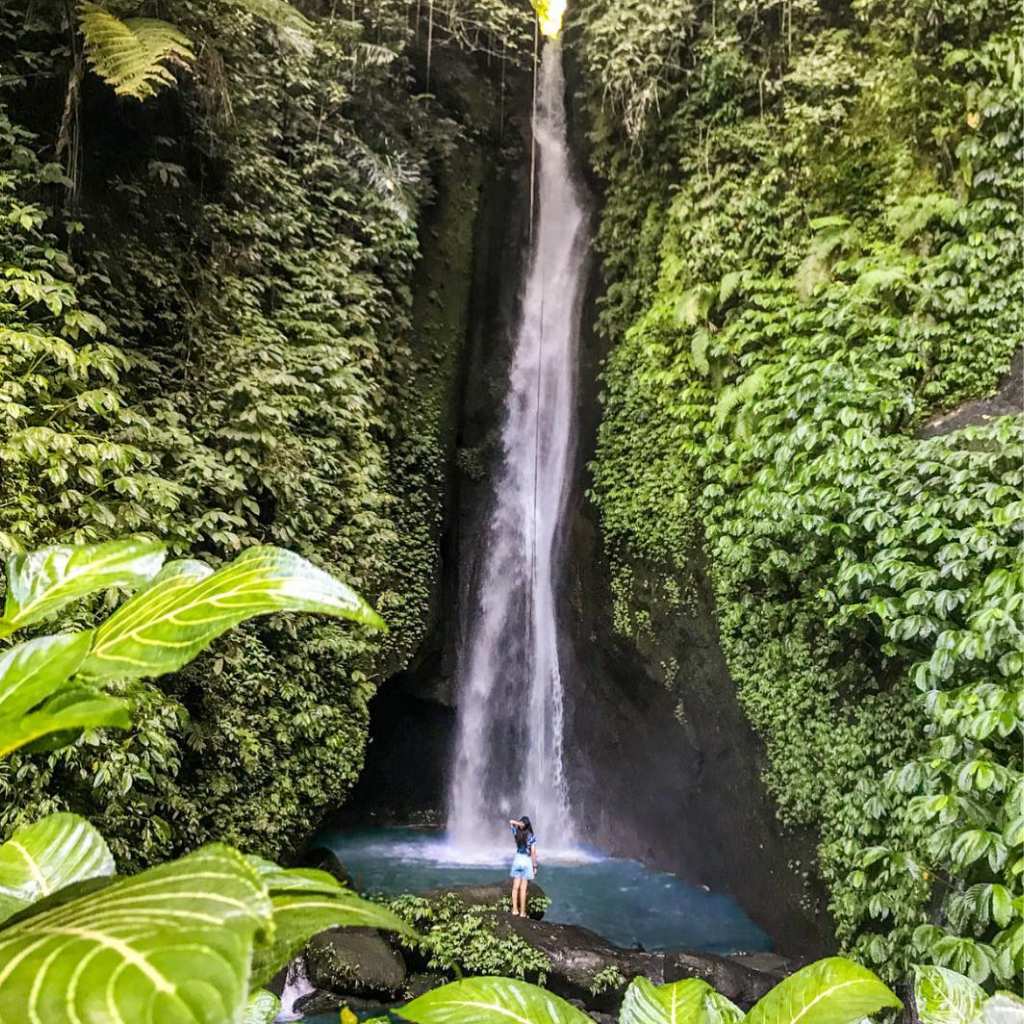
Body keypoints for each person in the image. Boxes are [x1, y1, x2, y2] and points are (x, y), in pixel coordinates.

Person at [508, 816, 538, 917]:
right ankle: (522, 912)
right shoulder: (531, 836)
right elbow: (533, 852)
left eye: (521, 823)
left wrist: (519, 824)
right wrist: (535, 866)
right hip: (526, 860)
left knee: (515, 887)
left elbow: (511, 822)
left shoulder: (517, 833)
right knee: (523, 889)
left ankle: (515, 910)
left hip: (517, 859)